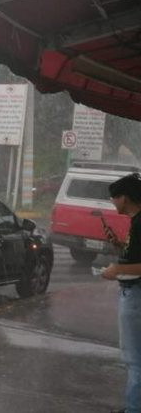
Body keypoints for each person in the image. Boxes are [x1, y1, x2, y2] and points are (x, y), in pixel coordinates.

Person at [102, 173, 141, 413]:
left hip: (136, 296)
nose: (113, 202)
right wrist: (118, 245)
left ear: (124, 198)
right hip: (133, 293)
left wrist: (116, 270)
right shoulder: (136, 222)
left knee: (135, 360)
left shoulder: (140, 224)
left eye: (114, 197)